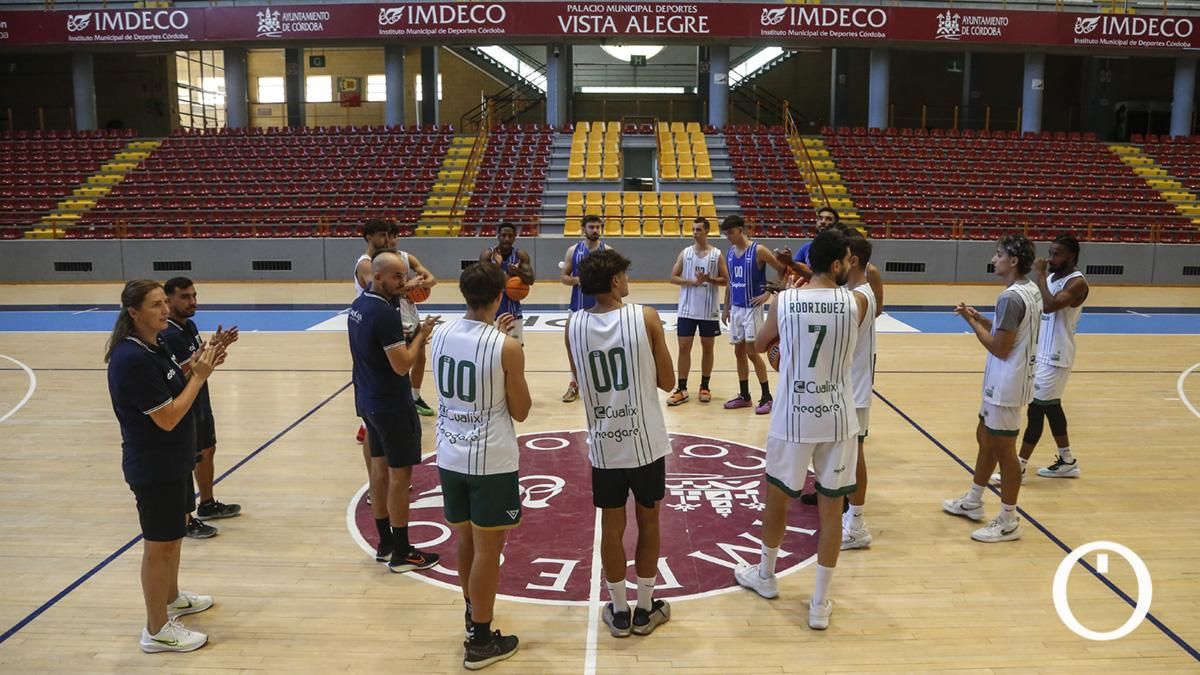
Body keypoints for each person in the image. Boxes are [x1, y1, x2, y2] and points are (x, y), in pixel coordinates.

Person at [733, 229, 868, 631]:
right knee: (830, 512)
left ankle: (766, 575)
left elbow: (759, 345)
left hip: (793, 415)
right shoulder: (856, 302)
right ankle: (820, 603)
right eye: (847, 259)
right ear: (839, 264)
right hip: (839, 417)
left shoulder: (786, 299)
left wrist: (780, 348)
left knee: (778, 501)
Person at [105, 279, 229, 653]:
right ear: (134, 312)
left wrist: (201, 362)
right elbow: (169, 416)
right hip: (154, 466)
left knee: (173, 538)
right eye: (156, 305)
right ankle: (156, 630)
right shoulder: (131, 359)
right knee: (159, 547)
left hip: (173, 461)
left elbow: (176, 387)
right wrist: (201, 376)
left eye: (164, 303)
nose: (164, 310)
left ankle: (171, 599)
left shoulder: (154, 346)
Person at [565, 249, 675, 638]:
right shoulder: (644, 316)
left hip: (605, 442)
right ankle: (646, 608)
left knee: (611, 528)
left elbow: (580, 378)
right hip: (645, 441)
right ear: (615, 281)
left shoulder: (572, 325)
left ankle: (619, 609)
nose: (628, 281)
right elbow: (668, 381)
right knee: (648, 521)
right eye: (625, 275)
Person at [432, 262, 531, 670]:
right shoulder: (505, 346)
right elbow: (522, 411)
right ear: (499, 297)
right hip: (489, 459)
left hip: (448, 453)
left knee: (465, 543)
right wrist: (510, 347)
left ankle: (473, 617)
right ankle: (481, 640)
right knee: (489, 552)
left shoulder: (438, 334)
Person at [944, 234, 1041, 543]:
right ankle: (973, 499)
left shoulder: (1011, 297)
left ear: (1013, 261)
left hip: (1007, 384)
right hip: (1005, 380)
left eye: (999, 254)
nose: (993, 259)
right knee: (984, 436)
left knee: (1004, 450)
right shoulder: (1028, 290)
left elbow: (1000, 347)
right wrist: (979, 317)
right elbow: (1008, 327)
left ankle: (1009, 519)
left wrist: (972, 325)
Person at [348, 250, 441, 572]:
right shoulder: (385, 314)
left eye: (405, 275)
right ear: (378, 277)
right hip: (391, 404)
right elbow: (402, 365)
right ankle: (402, 552)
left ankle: (385, 542)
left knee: (378, 470)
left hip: (368, 400)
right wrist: (420, 337)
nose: (405, 282)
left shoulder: (358, 306)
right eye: (398, 277)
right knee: (400, 478)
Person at [161, 277, 241, 540]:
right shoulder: (169, 334)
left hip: (200, 398)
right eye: (185, 296)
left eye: (194, 295)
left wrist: (216, 348)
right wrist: (209, 359)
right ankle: (185, 519)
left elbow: (199, 367)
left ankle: (207, 503)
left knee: (208, 449)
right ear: (168, 299)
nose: (192, 301)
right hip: (184, 404)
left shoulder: (189, 326)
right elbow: (183, 374)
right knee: (188, 459)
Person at [720, 214, 787, 414]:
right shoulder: (731, 252)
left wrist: (768, 292)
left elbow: (782, 269)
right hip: (737, 308)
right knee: (738, 352)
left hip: (752, 308)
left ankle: (767, 396)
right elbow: (730, 282)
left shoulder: (758, 250)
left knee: (751, 352)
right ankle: (744, 395)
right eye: (726, 234)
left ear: (741, 229)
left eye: (731, 233)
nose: (729, 237)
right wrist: (726, 307)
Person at [840, 235, 880, 550]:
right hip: (847, 385)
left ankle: (856, 524)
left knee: (855, 454)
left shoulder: (858, 298)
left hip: (854, 387)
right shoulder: (853, 292)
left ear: (852, 260)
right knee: (844, 453)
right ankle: (845, 513)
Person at [667, 217, 728, 406]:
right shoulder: (685, 253)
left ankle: (705, 386)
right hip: (687, 309)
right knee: (684, 348)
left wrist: (708, 279)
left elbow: (725, 280)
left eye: (699, 229)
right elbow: (673, 277)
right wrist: (692, 282)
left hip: (708, 310)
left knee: (707, 348)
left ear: (707, 231)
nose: (695, 233)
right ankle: (682, 388)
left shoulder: (716, 254)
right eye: (693, 229)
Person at [354, 219, 399, 443]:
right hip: (368, 323)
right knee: (376, 374)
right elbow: (378, 288)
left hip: (375, 320)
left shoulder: (379, 261)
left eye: (388, 235)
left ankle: (367, 424)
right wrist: (408, 286)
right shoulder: (366, 264)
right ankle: (367, 422)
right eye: (381, 235)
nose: (386, 239)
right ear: (368, 237)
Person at [559, 213, 612, 403]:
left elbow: (616, 280)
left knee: (602, 348)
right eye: (591, 227)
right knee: (574, 348)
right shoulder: (573, 250)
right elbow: (564, 277)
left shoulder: (608, 251)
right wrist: (577, 280)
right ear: (584, 229)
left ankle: (601, 384)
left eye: (598, 227)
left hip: (602, 310)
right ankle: (574, 384)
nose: (595, 230)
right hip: (578, 308)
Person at [394, 247, 438, 417]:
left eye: (393, 236)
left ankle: (415, 397)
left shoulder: (406, 257)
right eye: (386, 236)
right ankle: (401, 400)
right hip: (396, 316)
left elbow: (432, 280)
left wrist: (419, 284)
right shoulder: (375, 262)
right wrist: (406, 287)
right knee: (402, 364)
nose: (390, 240)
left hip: (411, 313)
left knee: (421, 358)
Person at [480, 222, 535, 347]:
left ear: (515, 237)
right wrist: (498, 268)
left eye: (510, 236)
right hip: (491, 313)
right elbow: (482, 282)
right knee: (491, 348)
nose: (507, 239)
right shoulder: (488, 255)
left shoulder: (520, 255)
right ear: (498, 236)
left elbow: (531, 280)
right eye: (504, 235)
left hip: (513, 312)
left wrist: (518, 272)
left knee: (515, 348)